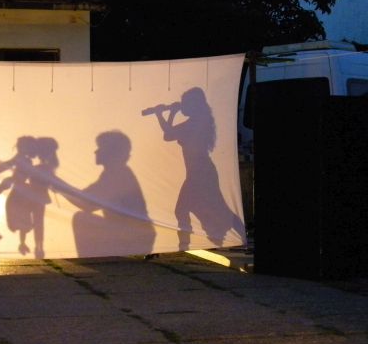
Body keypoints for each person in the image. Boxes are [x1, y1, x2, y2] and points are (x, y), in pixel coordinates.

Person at [146, 87, 244, 249]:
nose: (182, 106)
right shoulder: (198, 121)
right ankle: (186, 243)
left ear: (194, 105)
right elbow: (168, 135)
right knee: (215, 209)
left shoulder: (196, 123)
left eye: (185, 103)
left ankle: (185, 244)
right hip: (199, 172)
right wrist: (169, 114)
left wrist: (161, 114)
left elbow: (169, 134)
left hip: (201, 172)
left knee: (184, 209)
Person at [50, 131, 156, 256]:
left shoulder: (118, 175)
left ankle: (91, 261)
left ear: (111, 152)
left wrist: (55, 182)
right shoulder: (114, 173)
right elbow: (86, 197)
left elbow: (87, 203)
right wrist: (57, 184)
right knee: (83, 218)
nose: (96, 152)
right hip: (131, 235)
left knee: (82, 219)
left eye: (100, 148)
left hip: (133, 238)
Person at [5, 136, 37, 254]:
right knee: (22, 220)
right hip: (18, 192)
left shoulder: (25, 161)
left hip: (21, 192)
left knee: (24, 220)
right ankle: (22, 244)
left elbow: (25, 175)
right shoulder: (21, 160)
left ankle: (23, 244)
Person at [28, 137, 59, 258]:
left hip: (36, 196)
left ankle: (39, 246)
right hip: (36, 195)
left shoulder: (43, 168)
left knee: (37, 222)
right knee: (38, 222)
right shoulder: (46, 168)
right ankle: (38, 246)